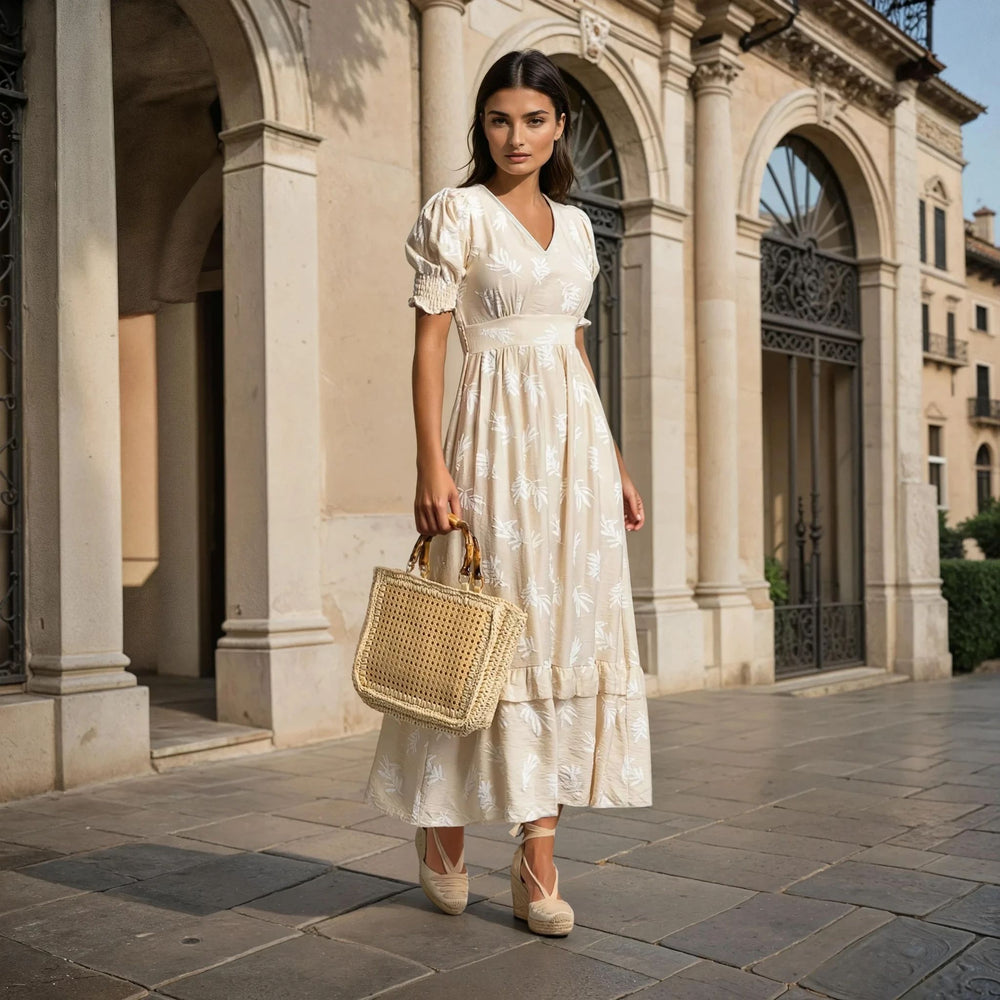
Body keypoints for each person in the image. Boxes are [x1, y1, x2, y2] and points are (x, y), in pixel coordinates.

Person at [365, 49, 652, 938]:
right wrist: (428, 465)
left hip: (573, 452)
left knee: (567, 632)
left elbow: (570, 351)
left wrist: (614, 461)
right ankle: (441, 832)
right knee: (479, 639)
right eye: (499, 118)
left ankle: (538, 864)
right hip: (488, 442)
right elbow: (429, 347)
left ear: (561, 125)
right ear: (481, 126)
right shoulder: (455, 213)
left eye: (534, 119)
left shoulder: (579, 228)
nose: (516, 135)